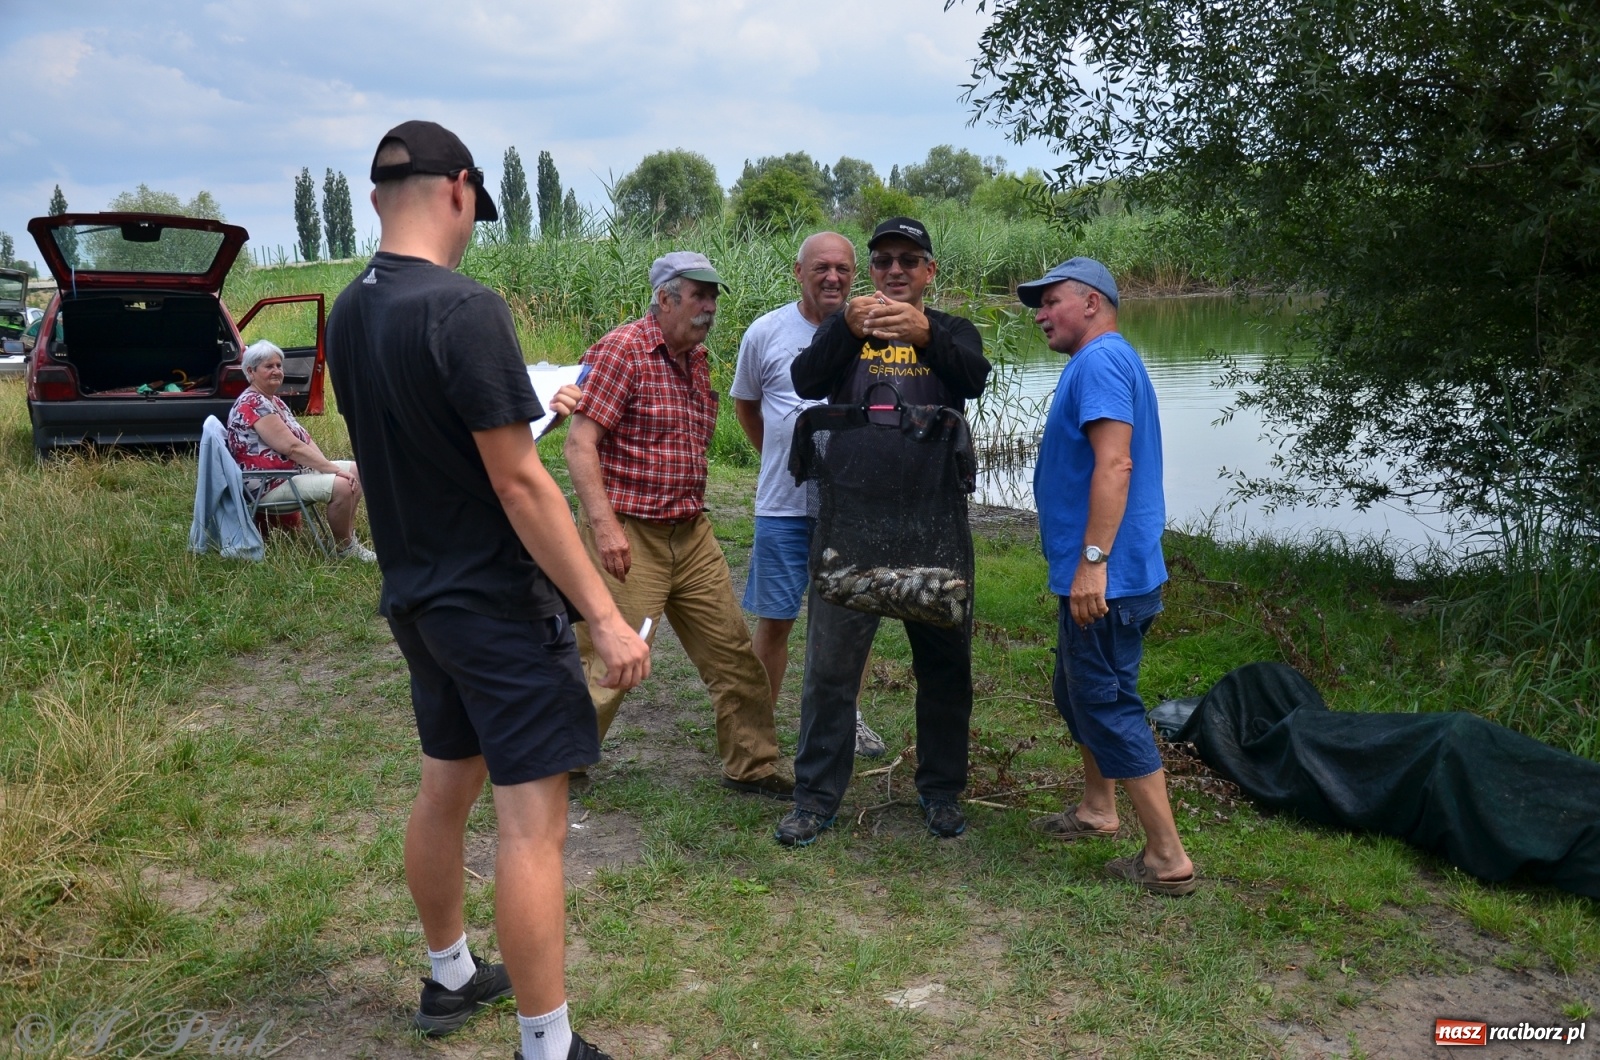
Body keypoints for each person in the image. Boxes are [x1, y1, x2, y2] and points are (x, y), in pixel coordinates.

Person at [326, 119, 650, 1060]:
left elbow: (418, 442)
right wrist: (601, 616)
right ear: (460, 188)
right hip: (497, 606)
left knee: (444, 786)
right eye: (474, 207)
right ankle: (547, 1045)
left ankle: (451, 974)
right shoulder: (463, 307)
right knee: (531, 822)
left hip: (419, 597)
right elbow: (519, 481)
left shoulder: (350, 310)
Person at [776, 217, 992, 846]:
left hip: (936, 528)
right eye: (882, 261)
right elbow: (805, 382)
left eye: (908, 260)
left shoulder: (950, 330)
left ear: (928, 271)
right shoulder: (843, 328)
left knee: (946, 669)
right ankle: (814, 798)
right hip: (851, 526)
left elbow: (974, 378)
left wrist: (927, 336)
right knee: (829, 672)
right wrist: (844, 329)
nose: (893, 271)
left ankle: (942, 792)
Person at [565, 252, 793, 799]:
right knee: (608, 657)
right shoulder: (623, 351)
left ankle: (754, 763)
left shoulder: (697, 360)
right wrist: (605, 529)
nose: (710, 308)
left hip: (690, 533)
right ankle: (557, 759)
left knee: (732, 653)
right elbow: (580, 445)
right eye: (699, 296)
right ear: (665, 298)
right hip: (629, 531)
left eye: (713, 298)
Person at [1017, 257, 1198, 897]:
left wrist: (1092, 564)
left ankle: (1167, 858)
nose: (1038, 313)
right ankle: (1099, 808)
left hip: (1108, 580)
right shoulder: (1105, 360)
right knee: (1079, 694)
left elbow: (1115, 466)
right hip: (1109, 575)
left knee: (1106, 703)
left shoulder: (1098, 362)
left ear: (1091, 302)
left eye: (1049, 301)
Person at [730, 232, 886, 759]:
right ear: (799, 272)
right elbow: (747, 408)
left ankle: (850, 719)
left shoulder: (878, 331)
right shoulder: (766, 332)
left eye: (842, 268)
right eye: (821, 268)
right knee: (775, 620)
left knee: (851, 619)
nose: (833, 278)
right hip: (784, 507)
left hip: (853, 510)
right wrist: (787, 462)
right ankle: (759, 730)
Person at [225, 339, 375, 561]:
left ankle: (348, 538)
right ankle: (345, 549)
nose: (277, 371)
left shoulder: (274, 401)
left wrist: (328, 467)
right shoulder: (252, 404)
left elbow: (303, 439)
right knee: (343, 485)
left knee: (357, 471)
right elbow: (292, 448)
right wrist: (333, 471)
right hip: (269, 483)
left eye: (279, 365)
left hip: (291, 474)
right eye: (269, 366)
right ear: (251, 371)